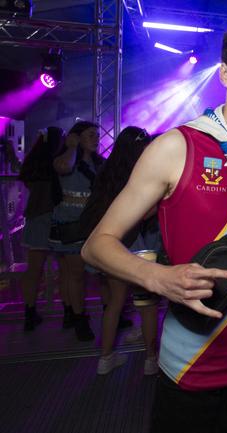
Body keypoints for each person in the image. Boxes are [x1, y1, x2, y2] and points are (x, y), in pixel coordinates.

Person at [82, 19, 227, 432]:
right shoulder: (176, 146)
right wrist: (156, 277)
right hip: (193, 368)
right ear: (224, 73)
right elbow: (97, 244)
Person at [78, 126, 160, 375]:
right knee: (146, 304)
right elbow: (143, 213)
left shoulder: (106, 170)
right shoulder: (141, 172)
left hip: (109, 244)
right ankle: (150, 360)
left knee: (114, 303)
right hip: (136, 243)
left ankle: (105, 358)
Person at [51, 120, 104, 341]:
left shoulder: (97, 163)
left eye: (97, 135)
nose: (96, 138)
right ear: (77, 137)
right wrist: (72, 146)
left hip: (87, 227)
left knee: (73, 274)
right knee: (74, 275)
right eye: (90, 134)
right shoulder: (65, 160)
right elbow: (63, 167)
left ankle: (71, 313)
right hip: (67, 227)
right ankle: (79, 319)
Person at [18, 127, 63, 331]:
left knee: (33, 270)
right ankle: (69, 310)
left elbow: (25, 180)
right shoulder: (58, 163)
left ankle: (29, 311)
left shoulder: (33, 162)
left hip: (35, 218)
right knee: (66, 268)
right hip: (54, 218)